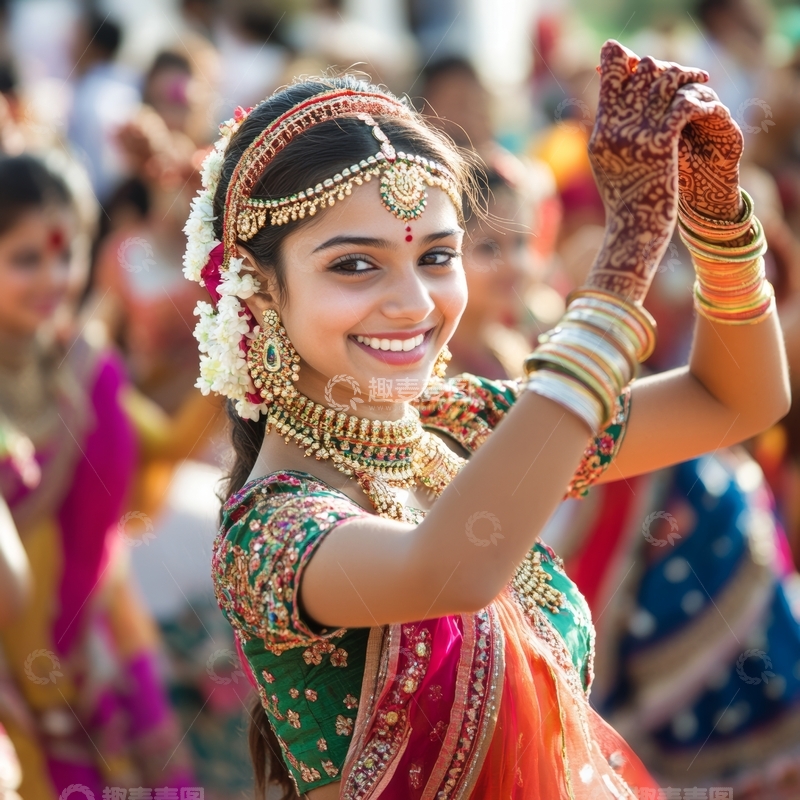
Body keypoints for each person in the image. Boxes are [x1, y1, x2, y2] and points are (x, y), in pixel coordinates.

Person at [185, 40, 790, 799]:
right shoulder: (270, 531)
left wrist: (713, 214)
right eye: (354, 264)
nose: (413, 302)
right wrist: (625, 256)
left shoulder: (458, 425)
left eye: (437, 257)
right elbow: (451, 569)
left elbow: (732, 401)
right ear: (260, 290)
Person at [0, 154, 195, 798]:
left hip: (102, 637)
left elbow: (163, 450)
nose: (54, 279)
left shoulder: (87, 367)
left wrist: (237, 346)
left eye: (69, 254)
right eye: (27, 259)